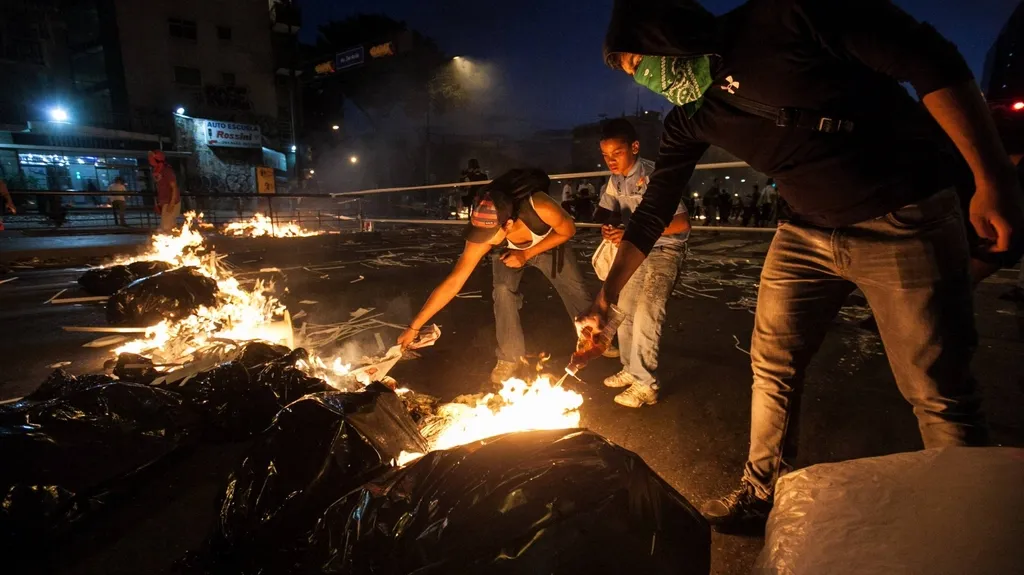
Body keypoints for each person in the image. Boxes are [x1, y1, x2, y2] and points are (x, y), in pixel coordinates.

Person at [584, 0, 1024, 533]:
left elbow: (929, 58)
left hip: (903, 215)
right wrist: (606, 299)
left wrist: (992, 177)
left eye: (639, 63)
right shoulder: (691, 117)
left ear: (666, 34)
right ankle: (762, 492)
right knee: (772, 365)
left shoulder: (786, 17)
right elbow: (653, 211)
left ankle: (972, 528)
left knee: (937, 389)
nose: (648, 80)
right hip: (802, 234)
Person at [397, 168, 594, 384]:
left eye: (489, 234)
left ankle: (595, 339)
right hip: (509, 254)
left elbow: (569, 230)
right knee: (502, 291)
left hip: (550, 243)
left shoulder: (540, 205)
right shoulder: (486, 226)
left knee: (576, 291)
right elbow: (454, 281)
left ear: (508, 223)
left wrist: (526, 254)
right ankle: (509, 358)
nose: (485, 240)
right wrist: (414, 326)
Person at [593, 118, 690, 407]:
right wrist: (610, 228)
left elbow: (682, 223)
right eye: (605, 155)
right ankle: (630, 368)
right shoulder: (615, 180)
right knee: (623, 310)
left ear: (634, 147)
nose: (611, 160)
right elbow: (605, 211)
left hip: (665, 250)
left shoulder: (653, 176)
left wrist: (631, 230)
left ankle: (646, 383)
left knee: (648, 310)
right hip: (635, 249)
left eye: (617, 153)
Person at [149, 151, 180, 233]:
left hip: (170, 202)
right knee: (169, 226)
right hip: (165, 202)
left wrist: (172, 203)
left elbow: (174, 188)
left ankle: (169, 244)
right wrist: (158, 203)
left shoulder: (167, 171)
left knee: (166, 227)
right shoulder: (158, 171)